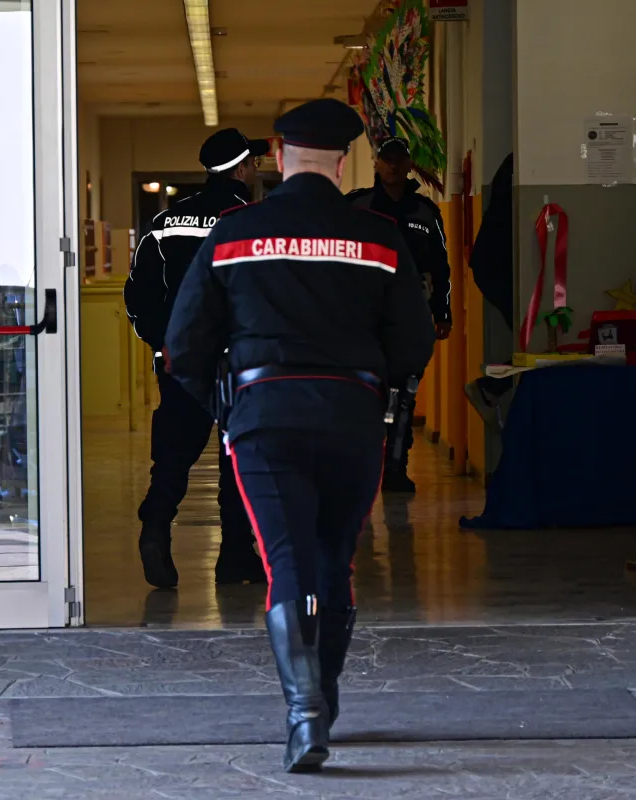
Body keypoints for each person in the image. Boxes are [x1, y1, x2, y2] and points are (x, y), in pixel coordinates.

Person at [163, 98, 435, 772]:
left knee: (288, 560)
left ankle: (304, 712)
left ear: (279, 159)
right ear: (344, 164)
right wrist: (372, 381)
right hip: (351, 417)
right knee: (334, 561)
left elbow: (183, 345)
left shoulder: (233, 235)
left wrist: (227, 409)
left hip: (266, 416)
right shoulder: (378, 238)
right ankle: (325, 701)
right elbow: (414, 341)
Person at [124, 128, 271, 589]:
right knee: (239, 459)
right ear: (242, 170)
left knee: (174, 454)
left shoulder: (166, 224)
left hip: (182, 361)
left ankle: (156, 527)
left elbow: (138, 294)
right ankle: (234, 558)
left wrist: (162, 343)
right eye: (254, 163)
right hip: (239, 363)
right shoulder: (256, 222)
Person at [347, 137, 452, 492]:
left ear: (409, 165)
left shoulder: (426, 213)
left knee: (403, 397)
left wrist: (443, 313)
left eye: (399, 160)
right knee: (362, 396)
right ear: (376, 163)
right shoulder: (356, 207)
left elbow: (441, 267)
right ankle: (362, 467)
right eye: (386, 159)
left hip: (411, 319)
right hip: (362, 318)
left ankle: (395, 468)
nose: (392, 166)